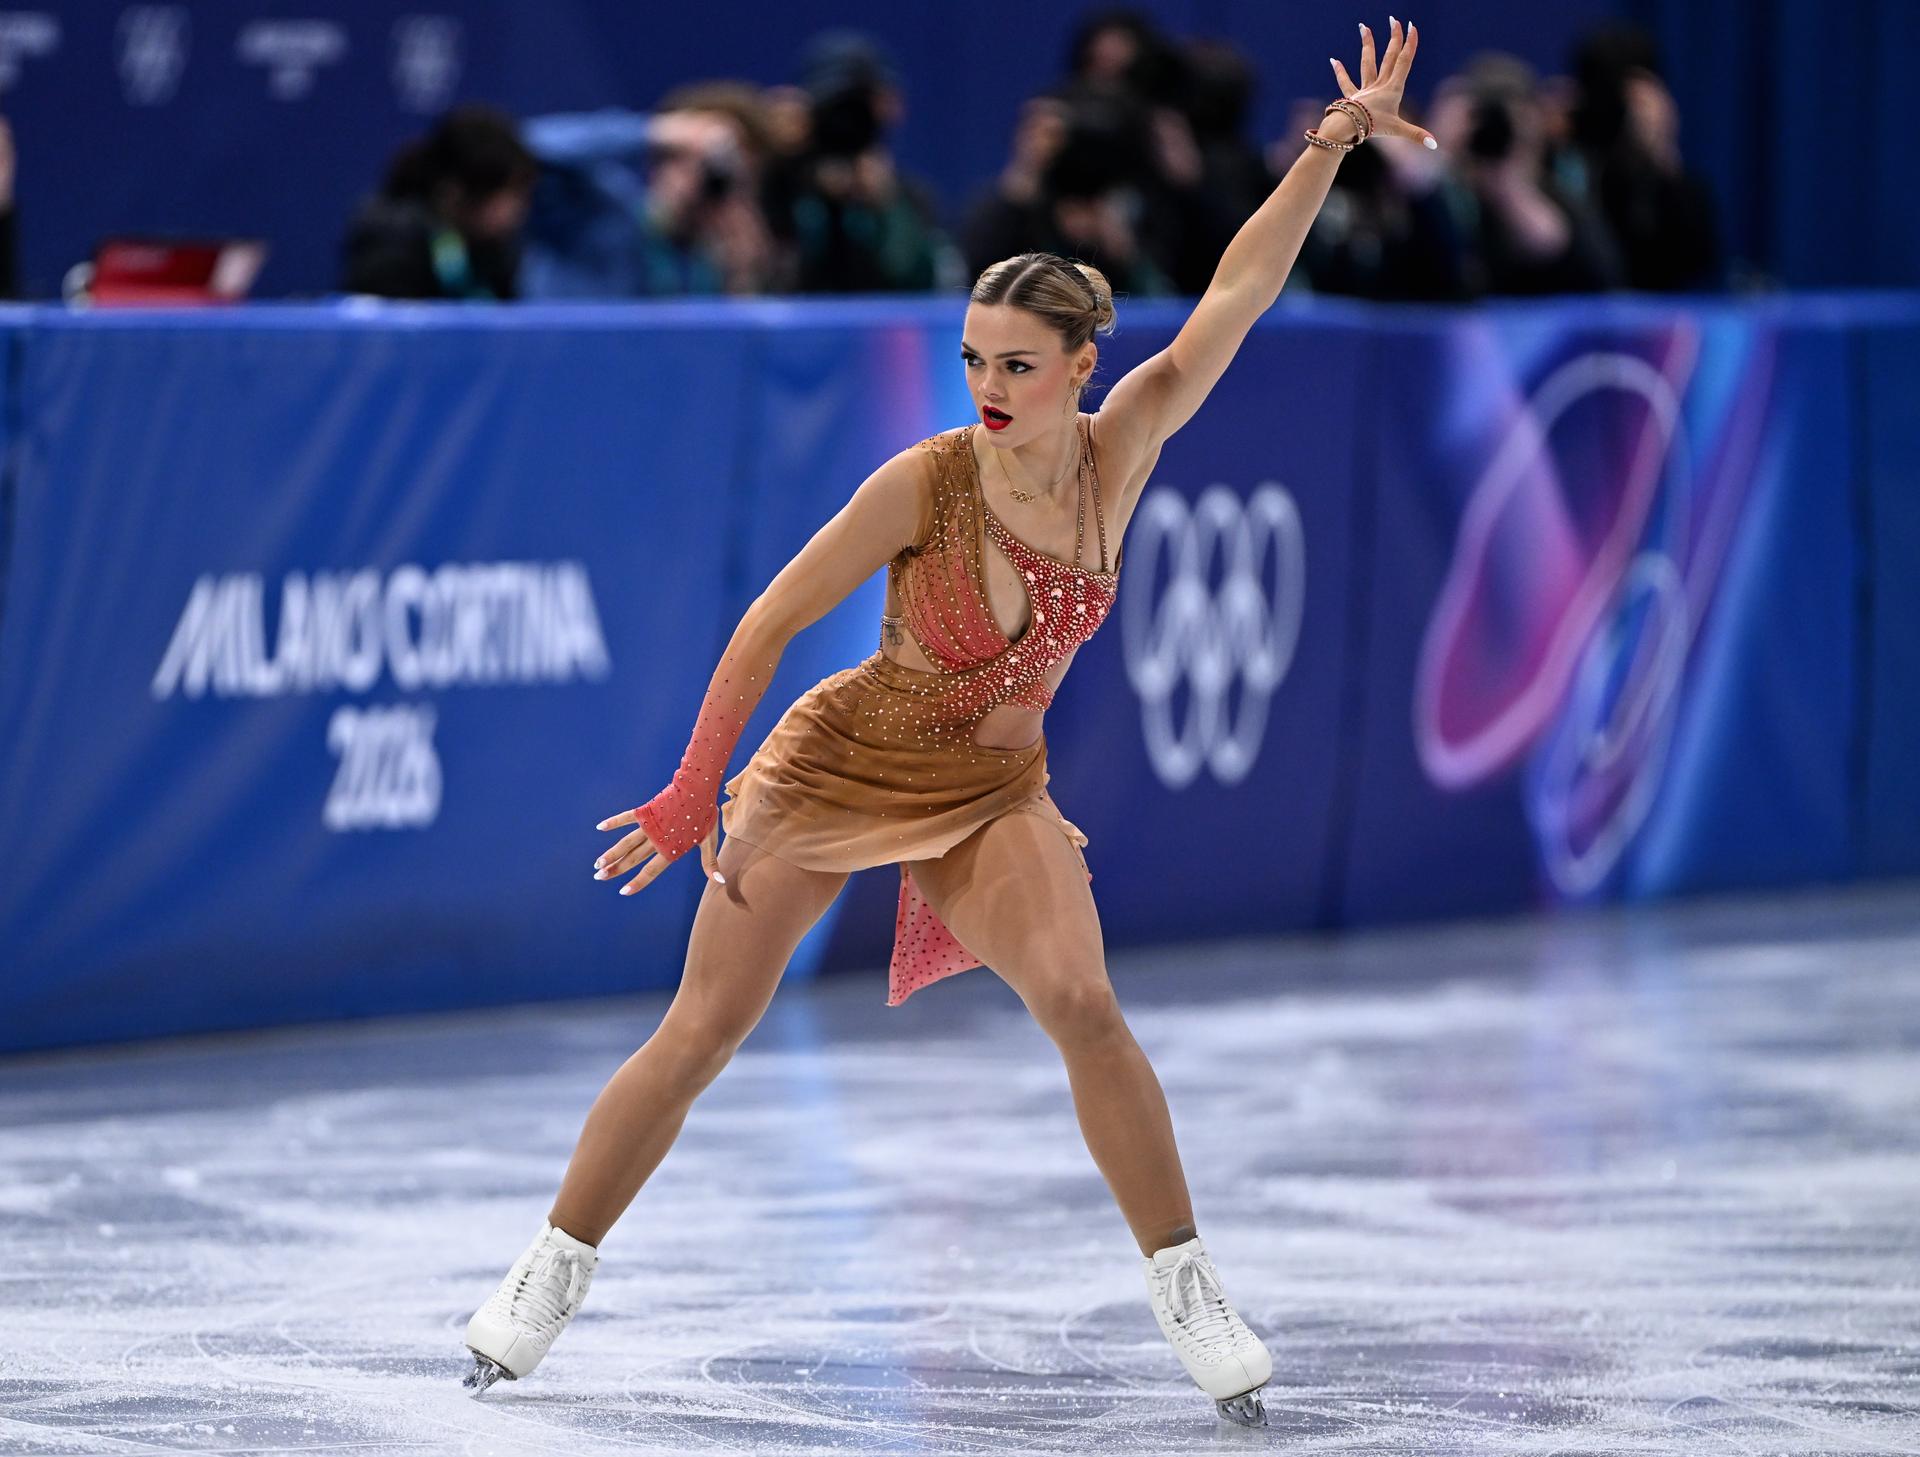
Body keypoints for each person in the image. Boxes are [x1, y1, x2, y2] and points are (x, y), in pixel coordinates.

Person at [460, 18, 1436, 1429]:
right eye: (975, 356)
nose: (988, 387)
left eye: (1020, 365)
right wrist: (692, 789)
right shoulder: (923, 482)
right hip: (834, 763)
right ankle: (549, 1270)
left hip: (990, 793)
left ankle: (1187, 1284)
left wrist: (1331, 145)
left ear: (1086, 364)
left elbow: (1238, 291)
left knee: (1085, 1006)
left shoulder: (1127, 450)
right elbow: (772, 620)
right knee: (703, 1031)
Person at [341, 105, 536, 301]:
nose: (518, 210)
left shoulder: (495, 252)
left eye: (522, 196)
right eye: (508, 196)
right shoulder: (391, 245)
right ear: (455, 192)